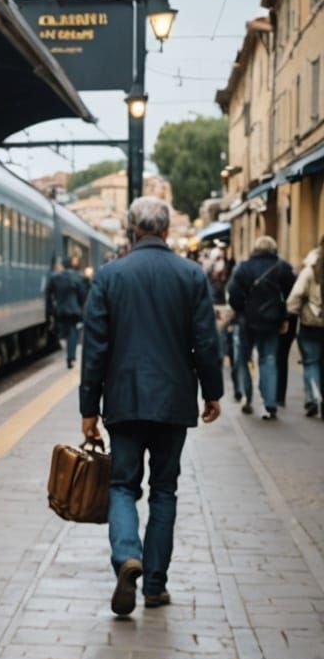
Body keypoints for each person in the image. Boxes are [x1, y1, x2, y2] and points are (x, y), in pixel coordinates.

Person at [80, 196, 223, 617]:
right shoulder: (191, 275)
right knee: (165, 491)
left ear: (132, 230)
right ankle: (155, 587)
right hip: (174, 401)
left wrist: (89, 407)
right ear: (165, 230)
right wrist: (211, 392)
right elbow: (205, 342)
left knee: (122, 486)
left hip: (123, 401)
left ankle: (127, 555)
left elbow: (95, 350)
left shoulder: (109, 276)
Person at [227, 234, 296, 419]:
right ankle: (270, 403)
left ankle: (247, 397)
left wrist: (242, 310)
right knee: (269, 360)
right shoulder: (282, 267)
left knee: (244, 359)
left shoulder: (243, 268)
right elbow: (291, 292)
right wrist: (283, 314)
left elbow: (233, 293)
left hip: (247, 321)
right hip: (272, 321)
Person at [287, 237, 324, 417]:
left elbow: (296, 295)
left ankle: (314, 397)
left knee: (311, 363)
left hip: (312, 324)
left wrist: (291, 314)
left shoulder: (310, 270)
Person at [47, 254, 89, 368]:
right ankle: (71, 357)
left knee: (63, 333)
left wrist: (51, 309)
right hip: (74, 310)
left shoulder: (55, 278)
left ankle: (68, 354)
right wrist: (81, 307)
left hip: (60, 310)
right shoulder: (78, 277)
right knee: (73, 332)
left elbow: (49, 293)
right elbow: (83, 295)